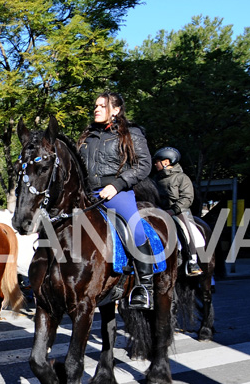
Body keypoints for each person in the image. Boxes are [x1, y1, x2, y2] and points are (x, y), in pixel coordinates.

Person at [78, 91, 154, 309]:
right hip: (87, 193)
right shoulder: (87, 136)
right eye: (95, 106)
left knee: (135, 228)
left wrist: (117, 185)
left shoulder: (131, 133)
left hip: (116, 191)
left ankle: (144, 287)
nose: (97, 109)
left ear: (117, 110)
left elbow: (143, 165)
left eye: (102, 106)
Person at [152, 147, 202, 276]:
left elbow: (187, 198)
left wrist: (173, 211)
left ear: (166, 162)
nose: (155, 164)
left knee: (186, 229)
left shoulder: (182, 178)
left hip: (179, 211)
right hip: (159, 211)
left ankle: (192, 261)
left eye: (157, 161)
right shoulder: (155, 179)